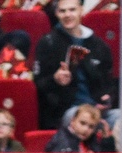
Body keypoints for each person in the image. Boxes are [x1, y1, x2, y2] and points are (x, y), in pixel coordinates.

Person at [33, 0, 115, 131]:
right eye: (62, 11)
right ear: (56, 13)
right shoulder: (47, 43)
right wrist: (55, 80)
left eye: (72, 10)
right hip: (67, 111)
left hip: (96, 109)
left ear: (81, 10)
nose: (67, 15)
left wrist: (106, 99)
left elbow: (109, 81)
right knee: (83, 121)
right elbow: (38, 85)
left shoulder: (99, 44)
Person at [44, 101, 114, 150]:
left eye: (91, 127)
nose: (86, 129)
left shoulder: (91, 140)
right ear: (73, 121)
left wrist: (106, 139)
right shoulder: (62, 144)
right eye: (82, 123)